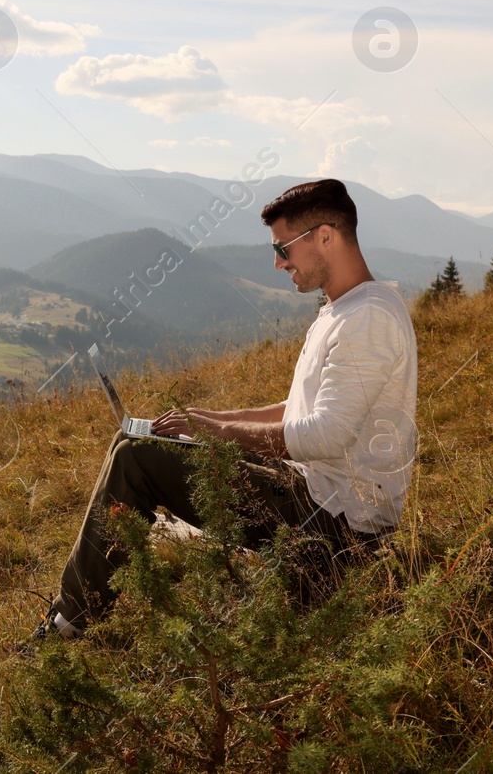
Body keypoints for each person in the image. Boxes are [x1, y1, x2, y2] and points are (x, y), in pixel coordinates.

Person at [35, 178, 418, 640]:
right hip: (309, 495)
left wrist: (218, 434)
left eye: (284, 248)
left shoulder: (367, 319)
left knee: (135, 461)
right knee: (135, 441)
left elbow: (326, 435)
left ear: (325, 236)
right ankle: (95, 593)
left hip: (333, 526)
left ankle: (69, 623)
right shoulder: (342, 311)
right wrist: (208, 420)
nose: (278, 263)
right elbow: (298, 409)